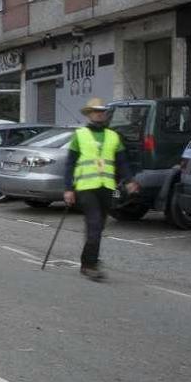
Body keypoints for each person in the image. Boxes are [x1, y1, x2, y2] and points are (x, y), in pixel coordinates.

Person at [63, 97, 139, 281]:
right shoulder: (79, 135)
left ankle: (86, 261)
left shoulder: (113, 136)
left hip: (107, 188)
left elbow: (122, 162)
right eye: (95, 111)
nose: (99, 113)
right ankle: (90, 265)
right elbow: (70, 164)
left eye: (102, 111)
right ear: (89, 114)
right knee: (95, 223)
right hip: (86, 187)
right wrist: (68, 189)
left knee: (98, 226)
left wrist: (129, 180)